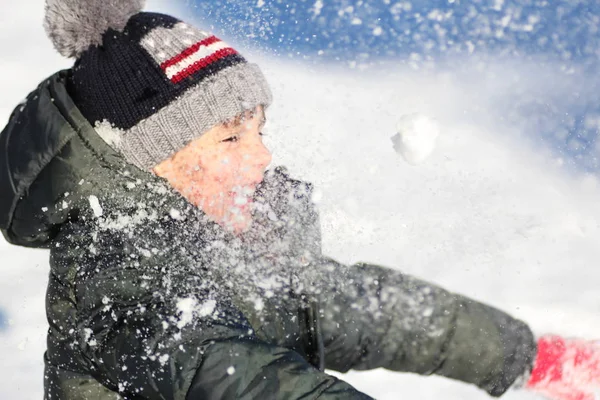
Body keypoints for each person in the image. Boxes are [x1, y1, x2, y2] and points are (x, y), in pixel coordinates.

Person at [0, 1, 599, 399]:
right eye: (232, 136)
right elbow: (251, 382)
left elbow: (361, 310)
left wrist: (523, 354)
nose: (260, 157)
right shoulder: (126, 294)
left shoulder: (223, 244)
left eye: (260, 130)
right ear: (152, 164)